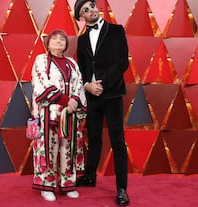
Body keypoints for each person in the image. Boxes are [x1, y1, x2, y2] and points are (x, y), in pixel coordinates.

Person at [74, 0, 130, 206]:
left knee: (118, 141)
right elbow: (82, 69)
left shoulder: (116, 30)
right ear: (82, 17)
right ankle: (89, 177)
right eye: (85, 11)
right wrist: (88, 86)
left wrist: (102, 84)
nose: (91, 11)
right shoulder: (81, 40)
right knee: (94, 138)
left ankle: (122, 189)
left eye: (91, 6)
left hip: (112, 94)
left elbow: (122, 61)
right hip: (91, 96)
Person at [31, 29, 87, 202]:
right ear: (47, 43)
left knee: (68, 148)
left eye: (62, 39)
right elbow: (41, 83)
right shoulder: (41, 60)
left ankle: (67, 184)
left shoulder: (72, 63)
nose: (58, 41)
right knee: (48, 147)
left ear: (66, 44)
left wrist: (75, 102)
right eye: (54, 38)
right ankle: (46, 185)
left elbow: (79, 84)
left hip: (70, 114)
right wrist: (65, 100)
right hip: (49, 112)